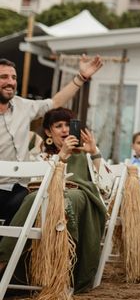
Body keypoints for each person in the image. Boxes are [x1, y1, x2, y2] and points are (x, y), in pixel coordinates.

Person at [0, 107, 108, 293]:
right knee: (33, 199)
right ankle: (5, 262)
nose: (65, 130)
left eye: (68, 125)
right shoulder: (41, 156)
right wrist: (61, 157)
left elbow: (106, 188)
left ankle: (65, 271)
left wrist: (95, 152)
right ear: (49, 132)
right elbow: (36, 185)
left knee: (69, 199)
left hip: (81, 202)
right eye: (59, 126)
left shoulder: (86, 153)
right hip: (46, 204)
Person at [0, 55, 103, 225]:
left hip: (22, 188)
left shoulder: (23, 106)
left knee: (29, 202)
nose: (11, 82)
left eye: (14, 77)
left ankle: (9, 249)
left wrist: (81, 77)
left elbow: (55, 102)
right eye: (4, 77)